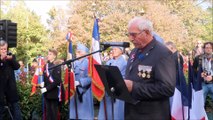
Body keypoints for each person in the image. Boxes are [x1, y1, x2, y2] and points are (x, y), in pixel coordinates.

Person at [124, 17, 176, 120]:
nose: (130, 38)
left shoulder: (162, 54)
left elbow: (167, 89)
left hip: (151, 115)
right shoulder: (135, 51)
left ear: (147, 32)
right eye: (129, 34)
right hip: (132, 112)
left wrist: (134, 87)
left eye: (134, 34)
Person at [98, 46, 127, 120]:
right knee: (107, 112)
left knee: (117, 113)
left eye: (115, 49)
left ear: (121, 51)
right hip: (108, 89)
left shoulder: (124, 63)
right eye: (112, 49)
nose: (113, 51)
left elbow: (124, 78)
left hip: (118, 91)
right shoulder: (109, 62)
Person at [69, 43, 94, 119]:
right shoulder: (74, 63)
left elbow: (91, 78)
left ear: (84, 53)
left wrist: (79, 82)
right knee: (75, 115)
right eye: (76, 51)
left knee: (84, 116)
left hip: (84, 93)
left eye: (79, 52)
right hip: (74, 92)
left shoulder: (88, 63)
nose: (76, 53)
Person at [0, 40, 22, 120]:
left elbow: (17, 67)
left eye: (5, 49)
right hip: (1, 89)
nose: (3, 51)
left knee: (15, 108)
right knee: (1, 110)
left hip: (11, 87)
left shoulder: (11, 56)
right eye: (1, 49)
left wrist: (11, 59)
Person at [40, 49, 64, 120]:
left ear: (54, 56)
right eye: (48, 54)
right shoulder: (46, 66)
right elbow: (45, 77)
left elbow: (57, 81)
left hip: (54, 93)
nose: (48, 55)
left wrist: (46, 88)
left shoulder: (57, 65)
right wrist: (43, 83)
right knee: (48, 113)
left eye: (50, 54)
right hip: (47, 93)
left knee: (53, 113)